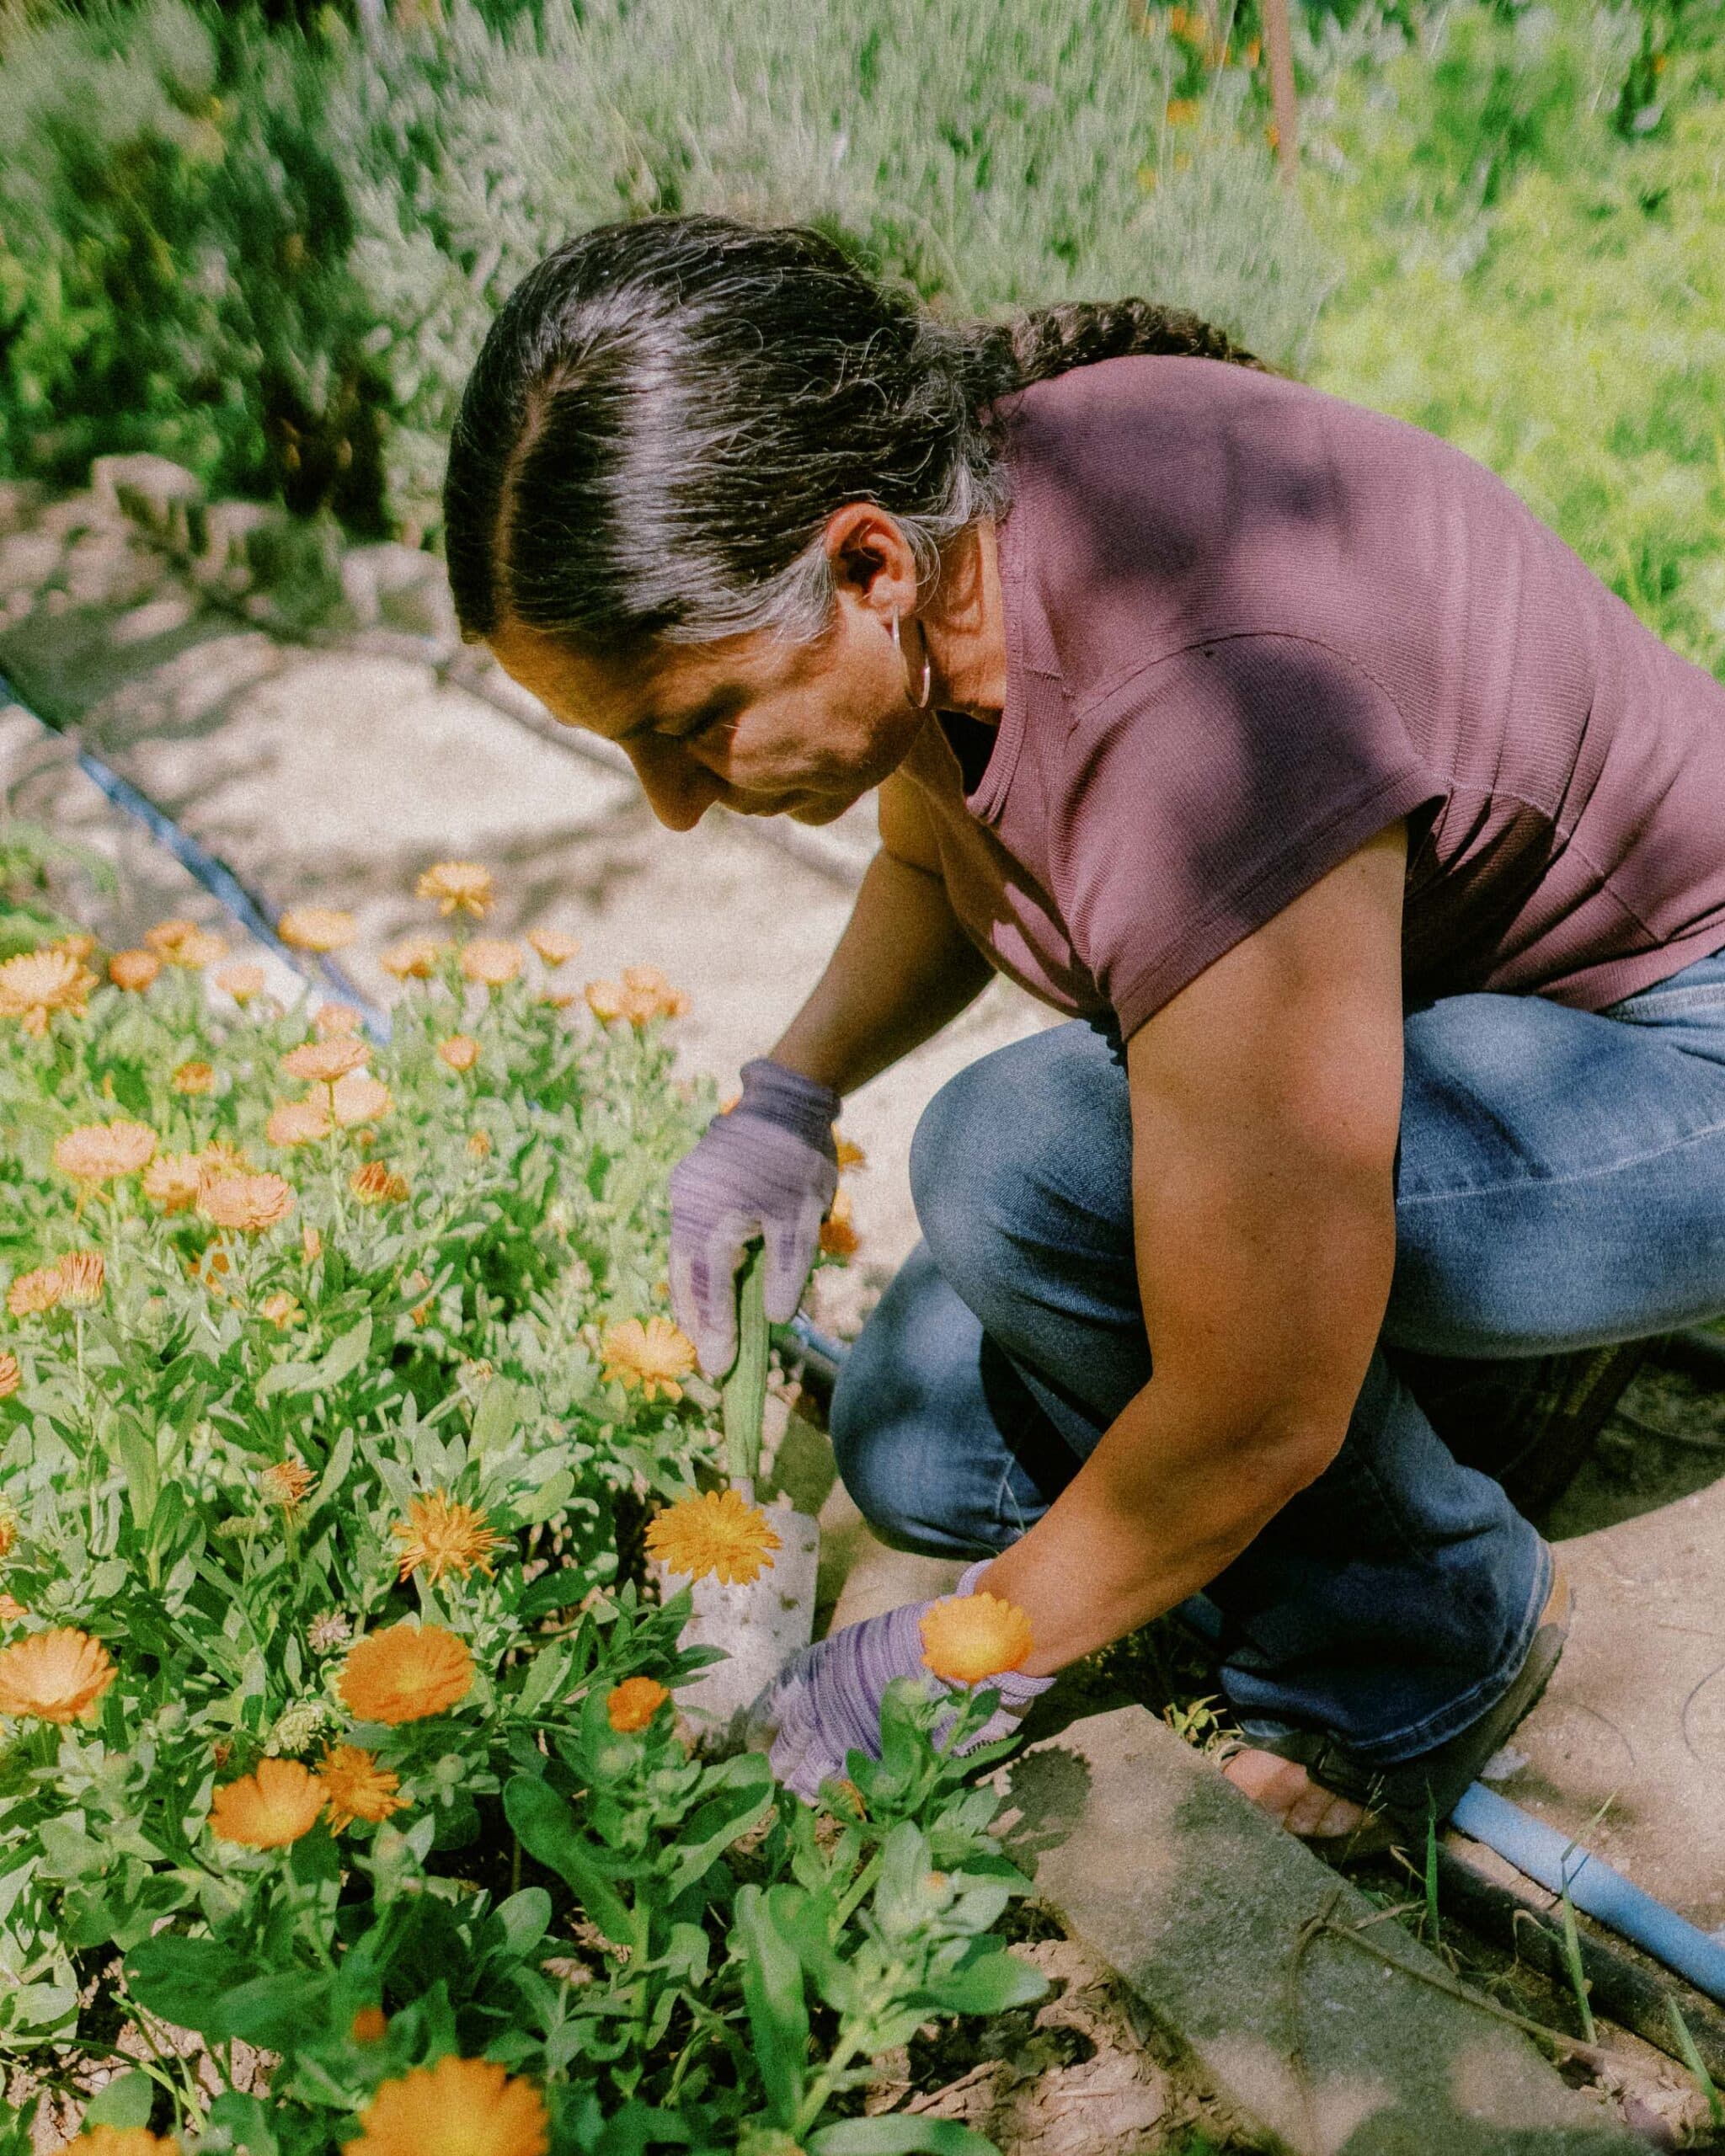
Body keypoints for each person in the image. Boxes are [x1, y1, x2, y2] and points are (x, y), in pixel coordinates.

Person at [443, 214, 1725, 1849]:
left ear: (863, 567)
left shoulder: (1199, 696)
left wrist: (960, 1650)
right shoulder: (966, 541)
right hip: (1441, 1017)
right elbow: (942, 845)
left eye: (693, 727)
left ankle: (1422, 1630)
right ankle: (1409, 1426)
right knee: (913, 1433)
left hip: (1669, 1054)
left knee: (1022, 1167)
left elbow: (1252, 1395)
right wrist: (788, 1088)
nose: (676, 808)